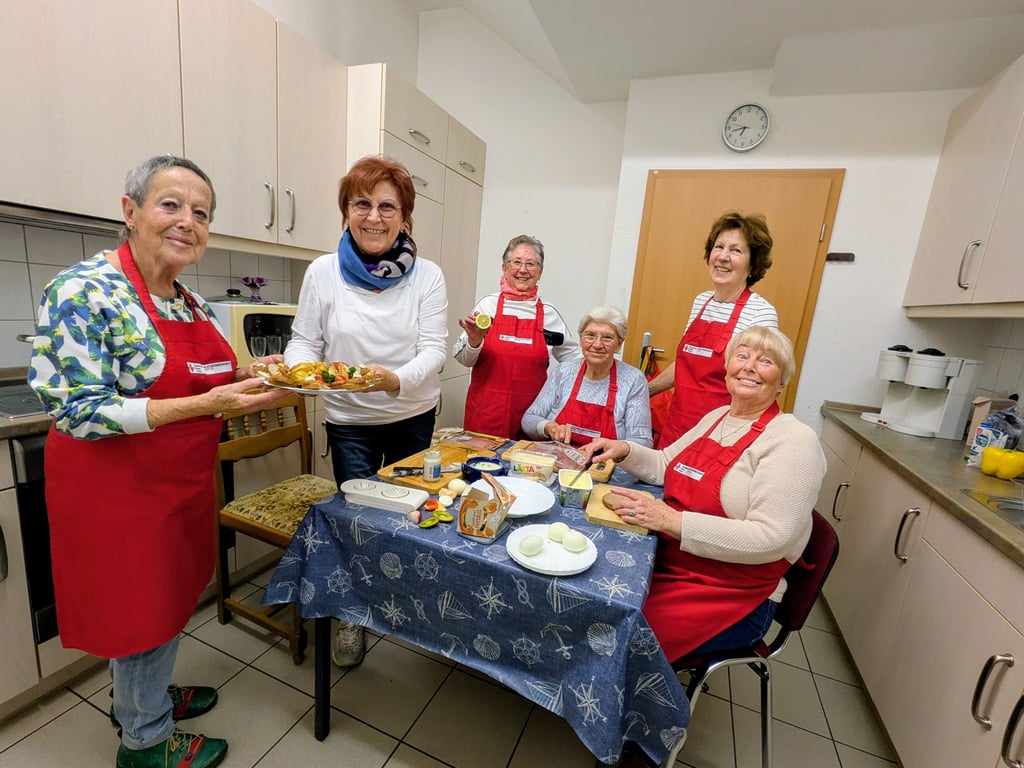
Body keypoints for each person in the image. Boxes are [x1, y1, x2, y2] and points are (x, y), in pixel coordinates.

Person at [28, 155, 290, 768]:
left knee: (165, 601)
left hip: (177, 488)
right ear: (131, 211)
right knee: (139, 609)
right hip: (118, 494)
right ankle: (145, 741)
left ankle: (144, 698)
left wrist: (257, 377)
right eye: (171, 205)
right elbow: (76, 410)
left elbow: (217, 378)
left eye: (201, 213)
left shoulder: (189, 305)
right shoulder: (83, 292)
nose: (187, 222)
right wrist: (205, 403)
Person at [582, 326, 824, 675]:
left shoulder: (794, 441)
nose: (750, 366)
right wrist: (624, 450)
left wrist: (668, 520)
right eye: (741, 356)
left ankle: (636, 722)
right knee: (597, 601)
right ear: (727, 368)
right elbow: (666, 466)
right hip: (673, 560)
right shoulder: (717, 418)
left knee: (619, 637)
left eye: (765, 361)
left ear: (782, 382)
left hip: (732, 591)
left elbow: (771, 539)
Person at [286, 154, 447, 668]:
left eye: (386, 206)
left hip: (412, 413)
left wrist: (396, 380)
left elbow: (435, 348)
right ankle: (353, 615)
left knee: (406, 514)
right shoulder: (322, 272)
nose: (373, 217)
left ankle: (400, 601)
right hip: (351, 421)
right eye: (362, 204)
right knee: (358, 519)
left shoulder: (427, 276)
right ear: (346, 210)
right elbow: (303, 341)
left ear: (405, 217)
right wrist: (299, 372)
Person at [647, 211, 779, 449]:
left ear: (753, 264)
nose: (723, 257)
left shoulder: (760, 313)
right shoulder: (702, 301)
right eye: (719, 247)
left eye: (736, 250)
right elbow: (687, 364)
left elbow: (760, 384)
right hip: (677, 425)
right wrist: (645, 391)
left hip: (719, 434)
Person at [454, 234, 580, 439]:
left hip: (531, 418)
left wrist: (560, 400)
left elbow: (574, 364)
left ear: (540, 272)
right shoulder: (488, 306)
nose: (523, 270)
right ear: (505, 268)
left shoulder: (549, 314)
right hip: (485, 416)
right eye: (517, 263)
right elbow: (462, 359)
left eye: (531, 264)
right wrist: (475, 342)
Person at [521, 306, 652, 447]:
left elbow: (642, 441)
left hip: (603, 464)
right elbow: (529, 419)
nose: (597, 344)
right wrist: (549, 428)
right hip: (557, 458)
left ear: (619, 344)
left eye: (607, 338)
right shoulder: (563, 371)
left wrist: (615, 447)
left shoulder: (633, 380)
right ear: (581, 339)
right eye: (590, 336)